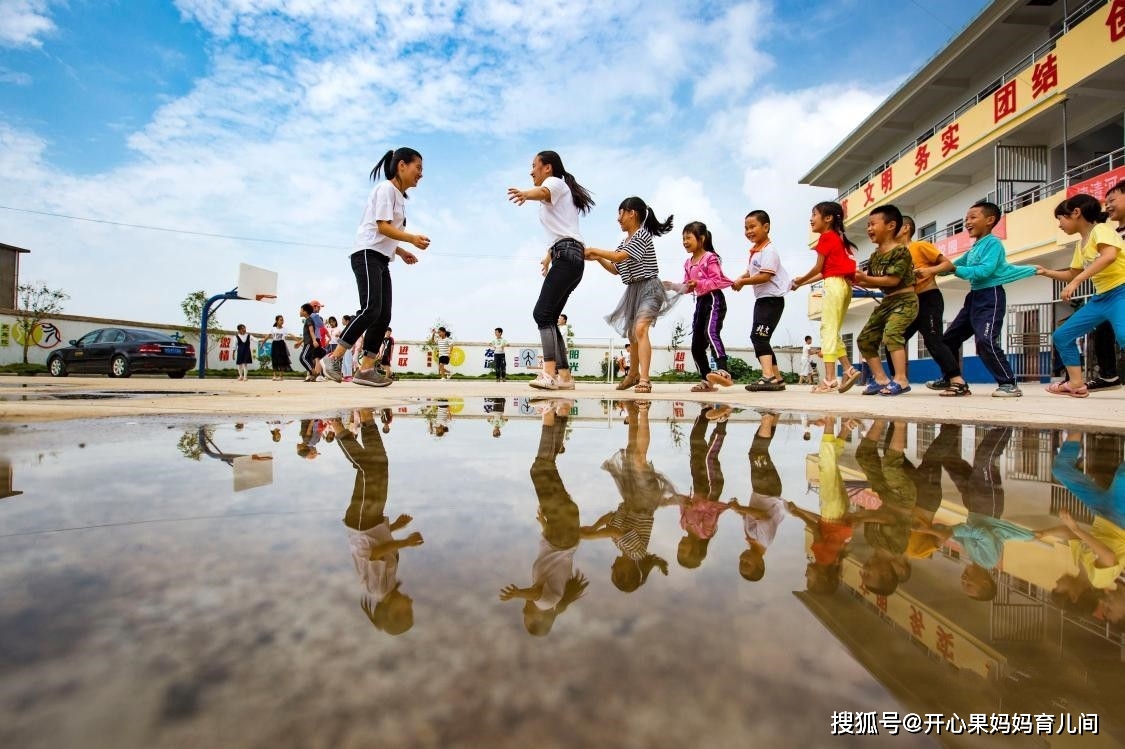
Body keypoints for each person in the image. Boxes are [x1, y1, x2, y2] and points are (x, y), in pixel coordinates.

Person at [320, 147, 430, 387]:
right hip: (366, 254)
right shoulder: (386, 189)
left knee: (383, 314)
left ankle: (367, 368)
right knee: (371, 308)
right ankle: (334, 358)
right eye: (418, 168)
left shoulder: (400, 198)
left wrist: (400, 252)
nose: (421, 174)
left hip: (381, 257)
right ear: (402, 165)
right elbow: (381, 227)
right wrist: (410, 239)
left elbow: (389, 234)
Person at [915, 200, 1035, 397]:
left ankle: (1009, 384)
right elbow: (950, 267)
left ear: (990, 220)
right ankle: (952, 379)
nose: (967, 222)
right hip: (974, 298)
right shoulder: (975, 248)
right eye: (966, 219)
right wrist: (933, 268)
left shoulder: (993, 244)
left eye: (972, 217)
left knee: (985, 340)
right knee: (948, 340)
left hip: (991, 296)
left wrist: (951, 268)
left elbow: (983, 271)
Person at [329, 409, 423, 636]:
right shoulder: (388, 587)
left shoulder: (378, 589)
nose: (411, 606)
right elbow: (378, 545)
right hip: (372, 523)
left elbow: (375, 553)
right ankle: (367, 420)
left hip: (362, 523)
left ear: (393, 613)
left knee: (368, 471)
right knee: (380, 467)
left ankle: (338, 429)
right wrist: (395, 528)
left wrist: (405, 543)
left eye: (407, 612)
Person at [499, 399, 589, 635]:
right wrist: (518, 593)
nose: (524, 612)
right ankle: (549, 412)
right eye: (527, 617)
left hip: (563, 529)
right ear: (539, 617)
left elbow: (553, 561)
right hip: (561, 532)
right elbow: (537, 593)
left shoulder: (554, 600)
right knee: (541, 468)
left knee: (547, 466)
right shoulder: (547, 603)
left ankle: (561, 412)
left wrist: (543, 525)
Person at [508, 151, 593, 392]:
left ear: (547, 167)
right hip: (571, 257)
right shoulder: (562, 190)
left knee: (541, 315)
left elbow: (543, 193)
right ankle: (565, 376)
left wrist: (526, 193)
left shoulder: (554, 182)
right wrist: (548, 257)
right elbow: (561, 231)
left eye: (534, 165)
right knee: (551, 319)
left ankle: (548, 374)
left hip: (566, 255)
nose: (531, 170)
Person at [1036, 193, 1125, 397]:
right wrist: (1046, 272)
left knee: (1123, 336)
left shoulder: (1101, 230)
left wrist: (1077, 282)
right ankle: (1075, 383)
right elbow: (1072, 273)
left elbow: (1109, 256)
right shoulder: (1081, 244)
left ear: (1076, 213)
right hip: (1101, 298)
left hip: (1121, 291)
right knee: (1062, 335)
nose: (1060, 225)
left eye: (1060, 219)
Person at [585, 196, 677, 394]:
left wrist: (594, 249)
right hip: (633, 289)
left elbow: (618, 257)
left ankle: (644, 378)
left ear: (631, 213)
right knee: (632, 333)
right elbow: (615, 268)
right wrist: (598, 258)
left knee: (641, 328)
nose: (618, 218)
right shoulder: (624, 242)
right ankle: (633, 374)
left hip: (650, 287)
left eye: (620, 213)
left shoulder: (642, 236)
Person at [582, 401, 676, 592]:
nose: (611, 567)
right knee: (639, 458)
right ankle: (643, 411)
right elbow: (615, 531)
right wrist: (590, 535)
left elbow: (610, 520)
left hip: (632, 496)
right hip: (645, 499)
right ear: (626, 573)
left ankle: (632, 412)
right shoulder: (636, 553)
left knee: (632, 450)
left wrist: (594, 526)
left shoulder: (620, 546)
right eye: (615, 572)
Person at [791, 201, 862, 393]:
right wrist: (801, 283)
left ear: (828, 218)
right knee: (833, 330)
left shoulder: (826, 237)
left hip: (834, 286)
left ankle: (830, 379)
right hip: (843, 285)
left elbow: (817, 268)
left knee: (827, 330)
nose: (811, 219)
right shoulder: (838, 238)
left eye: (814, 215)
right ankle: (848, 369)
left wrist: (801, 280)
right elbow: (825, 272)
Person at [885, 216, 959, 387]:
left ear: (905, 228)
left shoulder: (920, 246)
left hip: (928, 298)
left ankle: (956, 379)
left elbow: (948, 265)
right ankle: (898, 380)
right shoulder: (894, 255)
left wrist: (929, 270)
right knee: (892, 337)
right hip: (908, 303)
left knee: (933, 340)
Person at [853, 204, 918, 396]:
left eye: (873, 224)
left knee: (892, 334)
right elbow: (876, 281)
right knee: (865, 339)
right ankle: (881, 379)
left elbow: (893, 279)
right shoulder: (874, 256)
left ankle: (901, 380)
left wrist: (864, 278)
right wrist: (857, 281)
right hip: (887, 301)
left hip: (905, 300)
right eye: (868, 225)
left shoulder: (901, 252)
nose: (869, 229)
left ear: (890, 225)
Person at [672, 220, 734, 393]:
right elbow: (687, 286)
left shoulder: (710, 258)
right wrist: (672, 286)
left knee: (710, 332)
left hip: (714, 300)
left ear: (701, 238)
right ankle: (706, 378)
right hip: (700, 302)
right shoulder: (688, 262)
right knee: (696, 344)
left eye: (688, 237)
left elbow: (716, 280)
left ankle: (723, 369)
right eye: (683, 238)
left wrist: (697, 282)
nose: (685, 241)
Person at [733, 210, 791, 391]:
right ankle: (777, 378)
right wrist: (740, 279)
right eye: (746, 228)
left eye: (752, 227)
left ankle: (768, 376)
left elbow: (765, 276)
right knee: (761, 337)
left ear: (766, 227)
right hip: (763, 300)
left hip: (771, 300)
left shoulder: (769, 251)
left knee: (759, 337)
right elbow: (752, 273)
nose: (749, 231)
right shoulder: (756, 252)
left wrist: (743, 282)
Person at [728, 412, 785, 582]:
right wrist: (739, 508)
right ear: (760, 564)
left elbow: (751, 515)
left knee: (759, 452)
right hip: (768, 489)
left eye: (740, 563)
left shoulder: (752, 540)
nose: (743, 559)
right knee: (757, 452)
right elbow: (762, 515)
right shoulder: (764, 540)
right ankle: (768, 417)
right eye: (747, 564)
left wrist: (739, 510)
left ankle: (774, 416)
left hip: (762, 489)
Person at [676, 406, 731, 569]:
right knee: (709, 458)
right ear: (694, 550)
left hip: (698, 484)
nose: (680, 546)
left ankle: (705, 413)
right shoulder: (705, 532)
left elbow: (683, 502)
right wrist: (696, 505)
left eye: (679, 549)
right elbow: (712, 509)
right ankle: (722, 421)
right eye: (683, 550)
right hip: (711, 489)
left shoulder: (684, 525)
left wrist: (681, 500)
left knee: (695, 446)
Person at [1085, 181, 1125, 391]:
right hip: (1113, 291)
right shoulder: (1111, 233)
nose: (1107, 206)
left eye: (1112, 200)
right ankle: (1109, 375)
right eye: (1105, 202)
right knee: (1103, 331)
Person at [296, 303, 326, 382]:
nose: (299, 312)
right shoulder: (308, 319)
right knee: (308, 358)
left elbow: (312, 331)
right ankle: (312, 374)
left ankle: (314, 373)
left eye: (301, 310)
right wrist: (300, 342)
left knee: (303, 357)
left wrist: (314, 341)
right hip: (308, 342)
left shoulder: (309, 319)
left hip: (309, 343)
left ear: (305, 312)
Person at [268, 314, 291, 381]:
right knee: (274, 359)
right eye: (281, 320)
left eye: (283, 320)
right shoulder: (273, 329)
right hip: (275, 344)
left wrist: (298, 341)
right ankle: (274, 375)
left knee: (282, 360)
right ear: (277, 321)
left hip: (281, 345)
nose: (282, 321)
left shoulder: (285, 329)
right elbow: (268, 336)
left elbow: (290, 334)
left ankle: (281, 376)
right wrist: (262, 343)